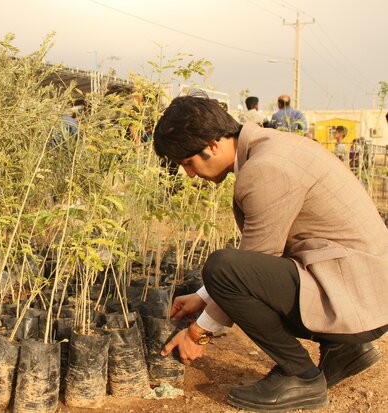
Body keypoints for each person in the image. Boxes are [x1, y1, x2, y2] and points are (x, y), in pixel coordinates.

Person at [153, 94, 388, 412]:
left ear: (211, 145)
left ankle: (301, 376)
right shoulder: (272, 147)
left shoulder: (265, 169)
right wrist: (204, 296)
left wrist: (198, 333)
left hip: (356, 296)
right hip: (363, 287)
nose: (191, 174)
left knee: (222, 266)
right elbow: (259, 260)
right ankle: (344, 351)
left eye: (187, 163)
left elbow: (252, 263)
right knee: (228, 273)